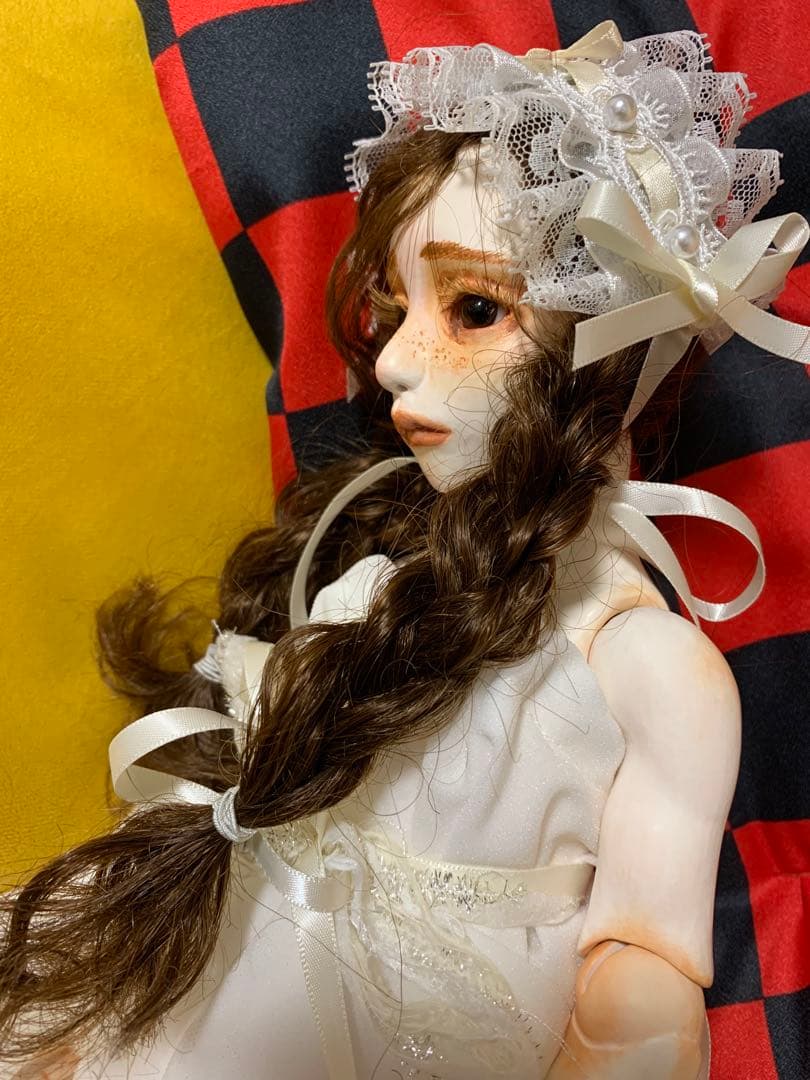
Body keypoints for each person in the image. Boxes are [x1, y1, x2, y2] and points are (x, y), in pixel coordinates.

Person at [1, 21, 807, 1080]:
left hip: (406, 1023)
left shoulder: (649, 665)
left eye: (472, 310)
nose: (389, 362)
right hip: (236, 932)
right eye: (395, 306)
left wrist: (629, 1045)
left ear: (610, 353)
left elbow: (644, 956)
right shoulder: (389, 558)